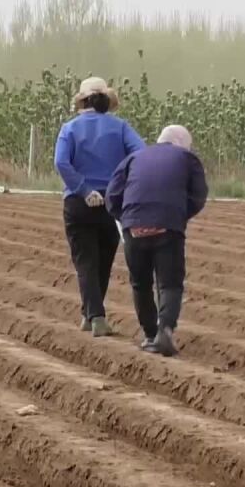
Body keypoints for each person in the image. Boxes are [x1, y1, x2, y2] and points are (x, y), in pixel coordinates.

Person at [54, 77, 145, 337]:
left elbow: (61, 163)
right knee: (104, 261)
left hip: (78, 202)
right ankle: (91, 314)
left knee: (86, 262)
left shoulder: (69, 129)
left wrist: (83, 189)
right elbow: (140, 153)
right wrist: (121, 181)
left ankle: (94, 316)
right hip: (113, 202)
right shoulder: (120, 127)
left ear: (82, 102)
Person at [106, 124, 208, 356]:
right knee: (170, 283)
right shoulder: (187, 159)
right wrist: (178, 216)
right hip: (168, 226)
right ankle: (165, 331)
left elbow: (112, 196)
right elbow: (198, 195)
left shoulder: (133, 157)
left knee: (140, 283)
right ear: (182, 144)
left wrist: (127, 218)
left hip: (134, 226)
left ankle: (150, 334)